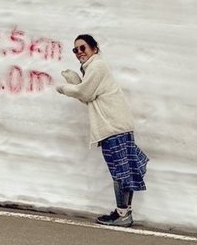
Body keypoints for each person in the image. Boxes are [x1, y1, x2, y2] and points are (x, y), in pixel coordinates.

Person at [56, 33, 149, 227]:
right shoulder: (92, 69)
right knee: (122, 170)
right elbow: (88, 97)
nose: (79, 52)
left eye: (83, 48)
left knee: (119, 172)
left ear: (94, 49)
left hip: (113, 127)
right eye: (75, 50)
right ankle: (124, 212)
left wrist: (65, 87)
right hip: (115, 126)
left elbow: (85, 93)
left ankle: (122, 214)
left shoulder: (97, 66)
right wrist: (76, 80)